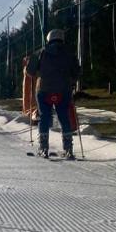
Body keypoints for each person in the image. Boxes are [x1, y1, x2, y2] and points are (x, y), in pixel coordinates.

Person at [27, 29, 81, 159]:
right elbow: (77, 73)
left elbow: (30, 71)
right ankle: (68, 149)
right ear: (62, 39)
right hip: (63, 90)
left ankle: (43, 148)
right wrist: (70, 81)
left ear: (48, 39)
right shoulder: (69, 54)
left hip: (44, 90)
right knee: (64, 117)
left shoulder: (40, 53)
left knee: (44, 117)